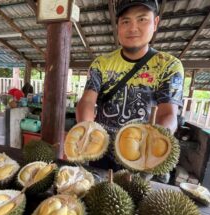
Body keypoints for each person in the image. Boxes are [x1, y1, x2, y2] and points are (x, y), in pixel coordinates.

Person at [76, 0, 184, 182]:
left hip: (141, 156)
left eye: (142, 19)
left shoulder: (169, 65)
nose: (133, 28)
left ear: (155, 23)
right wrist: (88, 130)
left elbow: (168, 113)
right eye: (126, 21)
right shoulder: (102, 64)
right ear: (118, 26)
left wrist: (154, 146)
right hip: (102, 152)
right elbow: (87, 101)